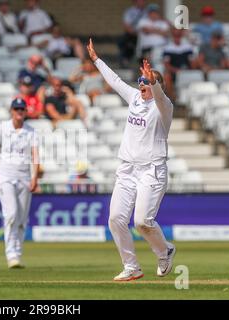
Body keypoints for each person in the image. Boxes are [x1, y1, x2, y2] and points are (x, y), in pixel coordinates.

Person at [87, 39, 176, 281]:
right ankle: (131, 267)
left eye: (146, 82)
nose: (142, 85)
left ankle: (164, 250)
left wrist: (154, 81)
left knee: (142, 222)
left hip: (152, 170)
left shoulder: (163, 107)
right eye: (141, 81)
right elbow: (114, 81)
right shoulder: (135, 98)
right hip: (127, 169)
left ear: (156, 84)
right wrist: (96, 60)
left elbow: (158, 95)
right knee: (115, 219)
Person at [0, 98, 40, 269]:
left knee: (22, 219)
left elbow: (35, 156)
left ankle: (17, 253)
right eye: (16, 109)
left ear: (25, 111)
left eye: (21, 109)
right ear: (11, 111)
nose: (19, 112)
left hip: (24, 177)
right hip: (5, 176)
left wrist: (34, 178)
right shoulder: (1, 129)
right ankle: (11, 255)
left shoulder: (31, 132)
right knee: (11, 214)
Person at [162, 27, 196, 102]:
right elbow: (166, 64)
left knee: (196, 74)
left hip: (186, 71)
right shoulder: (168, 48)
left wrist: (189, 70)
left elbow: (192, 62)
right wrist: (176, 70)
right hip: (174, 71)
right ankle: (173, 98)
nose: (177, 36)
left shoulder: (188, 47)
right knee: (166, 77)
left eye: (179, 34)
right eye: (175, 35)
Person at [118, 0, 147, 67]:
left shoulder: (147, 12)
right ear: (135, 2)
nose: (142, 2)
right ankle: (125, 61)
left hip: (144, 36)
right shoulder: (129, 12)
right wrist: (135, 33)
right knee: (124, 43)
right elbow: (126, 25)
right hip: (132, 35)